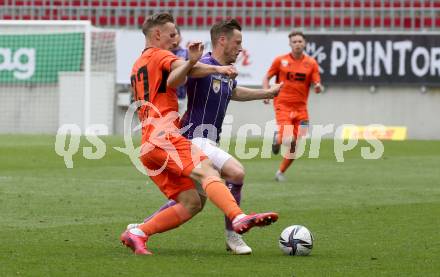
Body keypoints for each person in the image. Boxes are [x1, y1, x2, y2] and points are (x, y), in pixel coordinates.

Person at [120, 12, 278, 255]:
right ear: (157, 34)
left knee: (192, 203)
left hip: (148, 144)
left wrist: (266, 93)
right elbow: (178, 77)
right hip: (164, 135)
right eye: (172, 35)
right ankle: (237, 219)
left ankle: (138, 232)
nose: (176, 40)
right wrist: (202, 65)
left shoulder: (138, 64)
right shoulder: (162, 54)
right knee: (208, 171)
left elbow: (173, 79)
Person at [262, 31, 323, 182]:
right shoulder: (280, 61)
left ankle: (280, 172)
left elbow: (317, 82)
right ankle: (278, 139)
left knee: (296, 143)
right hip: (283, 105)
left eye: (300, 41)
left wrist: (318, 87)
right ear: (290, 44)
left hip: (301, 109)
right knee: (289, 139)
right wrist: (266, 93)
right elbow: (267, 77)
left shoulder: (311, 63)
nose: (297, 44)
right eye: (294, 41)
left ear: (304, 43)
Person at [171, 27, 188, 115]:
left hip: (181, 97)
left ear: (180, 37)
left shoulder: (186, 53)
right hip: (165, 97)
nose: (173, 37)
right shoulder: (163, 53)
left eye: (175, 35)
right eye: (171, 35)